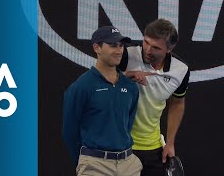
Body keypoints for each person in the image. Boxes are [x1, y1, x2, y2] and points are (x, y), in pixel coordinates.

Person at [62, 26, 142, 176]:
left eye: (121, 46)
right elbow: (69, 131)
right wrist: (84, 161)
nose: (119, 51)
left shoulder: (130, 87)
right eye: (112, 45)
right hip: (95, 165)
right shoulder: (81, 87)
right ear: (96, 48)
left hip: (129, 165)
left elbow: (127, 126)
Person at [118, 18, 190, 175]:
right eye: (145, 42)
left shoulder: (181, 70)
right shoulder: (125, 55)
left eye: (156, 47)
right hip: (119, 145)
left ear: (170, 48)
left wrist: (170, 143)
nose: (148, 50)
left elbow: (177, 103)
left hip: (153, 149)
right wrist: (127, 75)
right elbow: (99, 80)